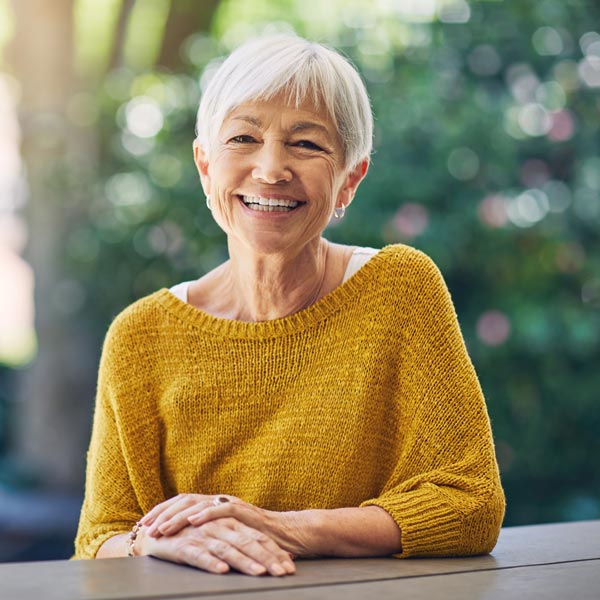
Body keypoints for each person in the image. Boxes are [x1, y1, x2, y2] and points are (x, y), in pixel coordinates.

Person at [74, 34, 505, 577]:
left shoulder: (401, 291)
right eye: (243, 138)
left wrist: (284, 529)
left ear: (350, 179)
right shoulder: (140, 336)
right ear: (205, 167)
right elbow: (97, 542)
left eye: (306, 144)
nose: (272, 169)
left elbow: (470, 504)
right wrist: (151, 543)